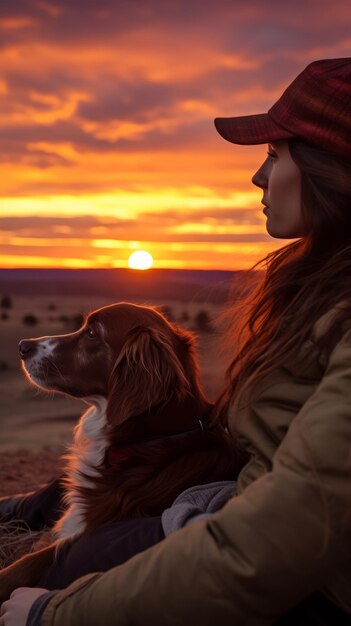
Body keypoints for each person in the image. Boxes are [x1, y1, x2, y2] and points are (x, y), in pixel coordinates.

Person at [1, 56, 351, 626]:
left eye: (273, 155)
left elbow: (293, 525)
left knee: (76, 560)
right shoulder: (317, 282)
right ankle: (24, 510)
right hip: (243, 510)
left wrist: (56, 615)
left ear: (330, 168)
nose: (258, 178)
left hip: (304, 576)